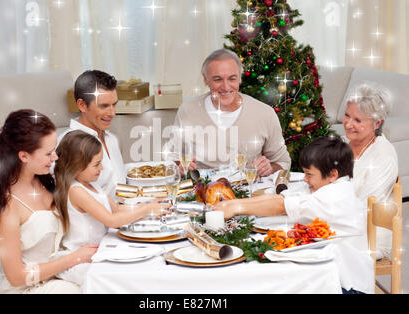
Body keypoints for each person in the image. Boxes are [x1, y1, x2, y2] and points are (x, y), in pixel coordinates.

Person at [214, 136, 374, 294]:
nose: (305, 179)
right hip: (331, 272)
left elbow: (280, 205)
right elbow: (282, 198)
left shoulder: (335, 196)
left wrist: (236, 206)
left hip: (348, 284)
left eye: (309, 174)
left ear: (332, 174)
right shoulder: (327, 186)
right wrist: (232, 205)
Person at [0, 110, 96, 294]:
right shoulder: (7, 207)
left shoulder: (45, 180)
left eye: (54, 150)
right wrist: (74, 258)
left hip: (59, 275)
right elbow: (16, 277)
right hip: (26, 288)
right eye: (48, 153)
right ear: (23, 156)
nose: (55, 158)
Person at [53, 130, 170, 285]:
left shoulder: (92, 186)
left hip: (99, 249)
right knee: (122, 279)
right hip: (80, 260)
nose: (101, 168)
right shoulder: (76, 191)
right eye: (96, 164)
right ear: (77, 166)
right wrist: (146, 210)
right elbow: (111, 220)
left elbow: (117, 210)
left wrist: (150, 205)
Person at [164, 49, 291, 176]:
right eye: (217, 79)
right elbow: (172, 159)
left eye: (232, 78)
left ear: (240, 78)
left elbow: (283, 162)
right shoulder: (187, 110)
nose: (225, 87)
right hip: (202, 191)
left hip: (250, 192)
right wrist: (178, 167)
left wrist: (270, 168)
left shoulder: (265, 113)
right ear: (205, 79)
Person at [342, 83, 398, 260]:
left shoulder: (384, 155)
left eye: (358, 120)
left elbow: (364, 204)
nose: (349, 124)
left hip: (368, 237)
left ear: (377, 123)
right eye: (347, 116)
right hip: (339, 224)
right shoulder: (342, 145)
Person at [56, 70, 125, 199]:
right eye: (104, 106)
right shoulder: (68, 144)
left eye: (114, 105)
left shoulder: (112, 139)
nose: (112, 113)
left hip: (126, 212)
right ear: (82, 105)